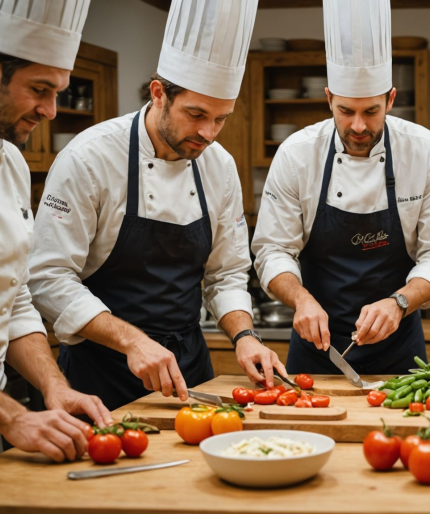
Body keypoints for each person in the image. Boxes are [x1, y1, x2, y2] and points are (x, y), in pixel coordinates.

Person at [28, 0, 285, 411]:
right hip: (101, 373)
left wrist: (244, 336)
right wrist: (133, 341)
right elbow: (48, 276)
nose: (208, 133)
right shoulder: (89, 158)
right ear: (159, 94)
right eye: (196, 114)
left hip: (189, 368)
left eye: (221, 119)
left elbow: (226, 274)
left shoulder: (219, 166)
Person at [252, 0, 430, 374]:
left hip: (400, 347)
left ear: (390, 100)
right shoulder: (297, 154)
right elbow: (273, 249)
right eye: (346, 111)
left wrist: (399, 302)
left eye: (371, 111)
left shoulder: (424, 151)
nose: (359, 126)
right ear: (329, 99)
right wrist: (301, 300)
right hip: (316, 345)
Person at [0, 0, 114, 461]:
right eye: (39, 89)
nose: (51, 110)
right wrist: (12, 417)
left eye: (59, 92)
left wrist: (53, 385)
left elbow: (14, 299)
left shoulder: (12, 165)